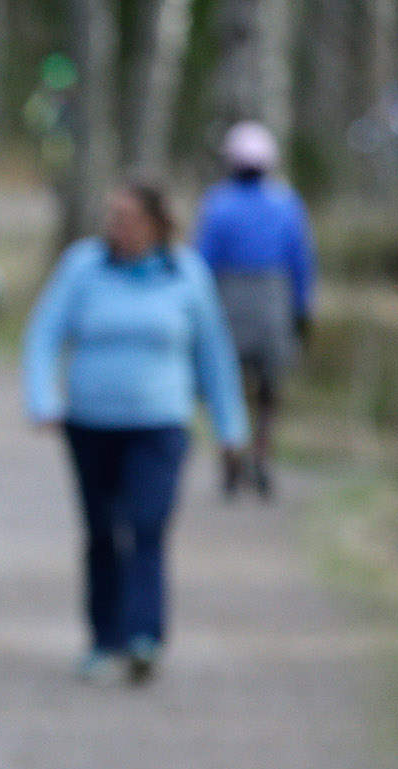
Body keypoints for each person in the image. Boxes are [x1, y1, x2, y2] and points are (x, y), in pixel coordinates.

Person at [23, 182, 247, 685]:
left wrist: (230, 426)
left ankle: (144, 635)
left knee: (147, 524)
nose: (116, 226)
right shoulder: (83, 266)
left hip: (160, 421)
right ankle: (104, 639)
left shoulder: (186, 273)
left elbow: (213, 354)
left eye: (127, 217)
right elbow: (45, 333)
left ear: (156, 223)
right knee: (102, 530)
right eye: (112, 216)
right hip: (91, 421)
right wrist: (42, 397)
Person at [195, 120, 316, 500]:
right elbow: (301, 263)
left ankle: (232, 455)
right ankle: (261, 453)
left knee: (227, 382)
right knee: (268, 387)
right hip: (272, 300)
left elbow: (203, 260)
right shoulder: (286, 203)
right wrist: (301, 311)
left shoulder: (218, 203)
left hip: (228, 297)